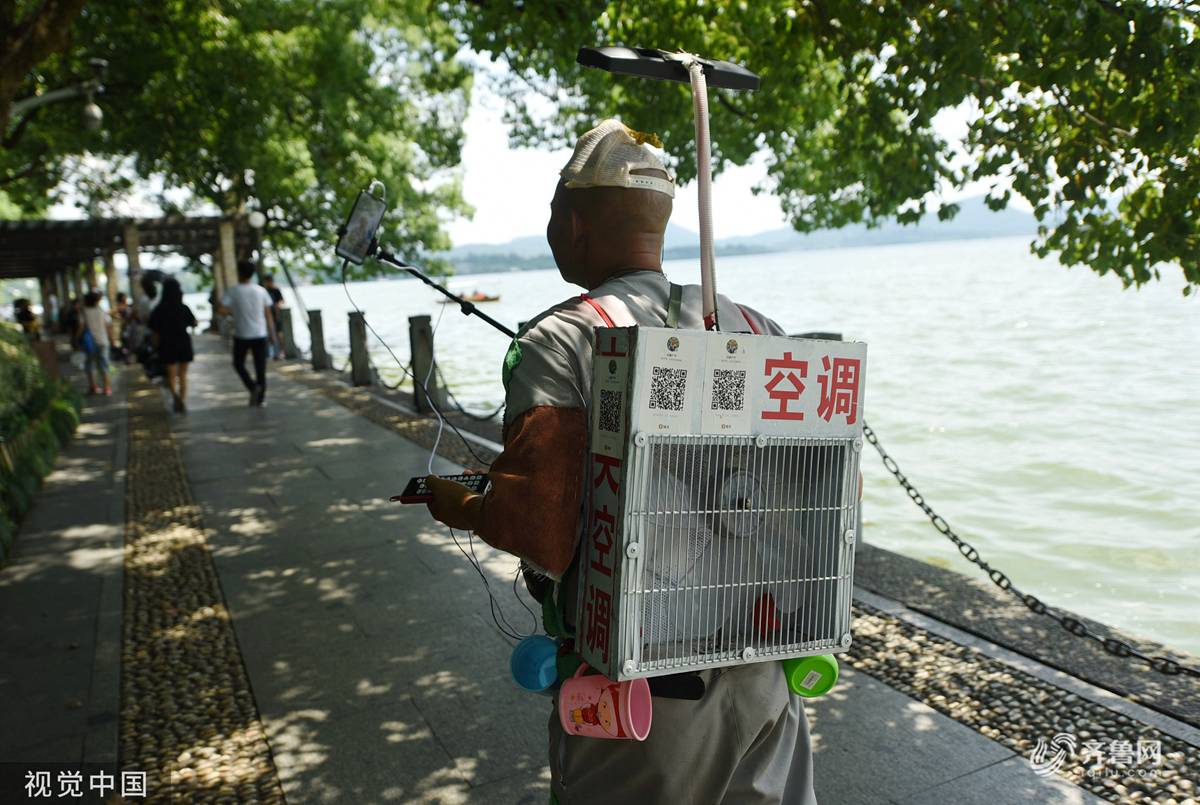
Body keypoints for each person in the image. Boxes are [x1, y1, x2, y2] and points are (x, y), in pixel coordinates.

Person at [424, 120, 817, 804]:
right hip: (765, 676)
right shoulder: (757, 330)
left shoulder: (560, 339)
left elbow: (541, 528)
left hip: (641, 703)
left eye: (552, 216)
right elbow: (816, 492)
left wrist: (454, 499)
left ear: (573, 225)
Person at [218, 260, 276, 406]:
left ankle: (252, 387)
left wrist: (235, 311)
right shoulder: (260, 290)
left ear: (239, 273)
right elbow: (268, 314)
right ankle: (260, 399)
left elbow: (221, 310)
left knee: (238, 364)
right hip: (260, 334)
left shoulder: (233, 290)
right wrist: (272, 334)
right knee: (260, 369)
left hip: (241, 335)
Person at [147, 278, 197, 413]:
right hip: (183, 343)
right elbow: (194, 323)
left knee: (171, 375)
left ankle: (175, 398)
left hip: (167, 344)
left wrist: (154, 347)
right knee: (183, 375)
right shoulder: (183, 307)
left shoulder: (158, 310)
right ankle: (182, 399)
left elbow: (154, 331)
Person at [78, 291, 113, 396]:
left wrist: (76, 338)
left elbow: (82, 326)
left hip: (90, 342)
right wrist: (112, 339)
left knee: (89, 365)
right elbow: (108, 324)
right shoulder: (101, 310)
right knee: (104, 365)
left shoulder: (84, 312)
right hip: (103, 340)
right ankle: (107, 388)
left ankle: (93, 386)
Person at [260, 274, 285, 359]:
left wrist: (277, 305)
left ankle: (280, 352)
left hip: (275, 315)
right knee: (269, 335)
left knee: (278, 334)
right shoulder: (263, 291)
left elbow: (282, 300)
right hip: (266, 316)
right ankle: (272, 353)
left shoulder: (276, 290)